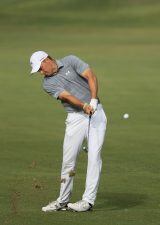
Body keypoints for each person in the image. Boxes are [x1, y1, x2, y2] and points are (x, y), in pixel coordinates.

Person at [29, 51, 107, 212]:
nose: (41, 72)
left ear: (47, 60)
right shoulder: (47, 84)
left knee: (94, 156)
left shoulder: (70, 61)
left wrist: (92, 101)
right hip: (75, 118)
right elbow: (67, 96)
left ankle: (87, 201)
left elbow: (90, 76)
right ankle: (63, 201)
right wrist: (84, 106)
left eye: (40, 68)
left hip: (97, 114)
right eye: (38, 71)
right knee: (68, 161)